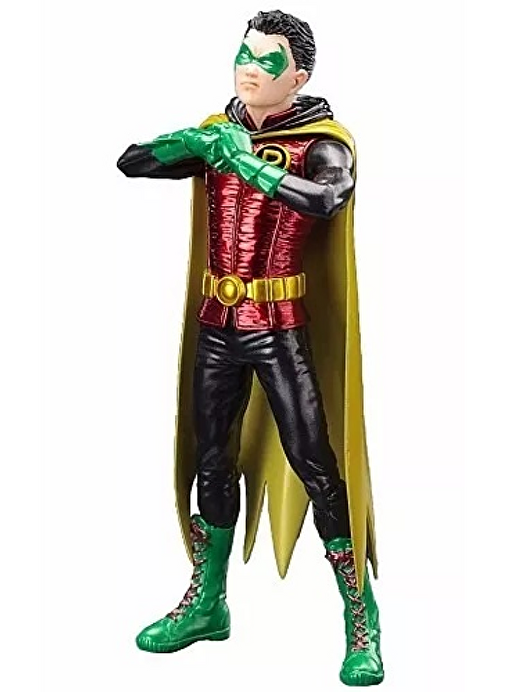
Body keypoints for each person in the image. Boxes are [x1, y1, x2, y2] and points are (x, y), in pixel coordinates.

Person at [118, 9, 384, 687]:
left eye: (268, 61)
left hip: (279, 327)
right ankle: (208, 601)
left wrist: (246, 165)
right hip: (218, 325)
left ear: (298, 76)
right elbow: (130, 163)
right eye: (245, 55)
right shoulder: (220, 131)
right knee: (211, 460)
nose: (250, 69)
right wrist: (188, 143)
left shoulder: (320, 142)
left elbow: (327, 198)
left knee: (316, 465)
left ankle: (361, 620)